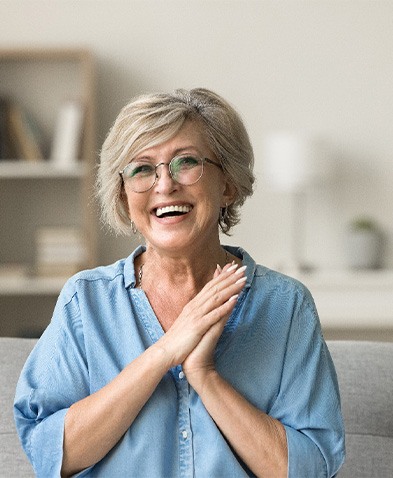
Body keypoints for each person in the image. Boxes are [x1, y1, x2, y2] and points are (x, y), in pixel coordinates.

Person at [14, 88, 345, 477]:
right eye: (141, 168)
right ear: (123, 196)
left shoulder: (286, 307)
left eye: (185, 163)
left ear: (228, 185)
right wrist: (164, 353)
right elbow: (51, 453)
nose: (164, 185)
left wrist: (205, 376)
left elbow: (311, 469)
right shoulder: (86, 301)